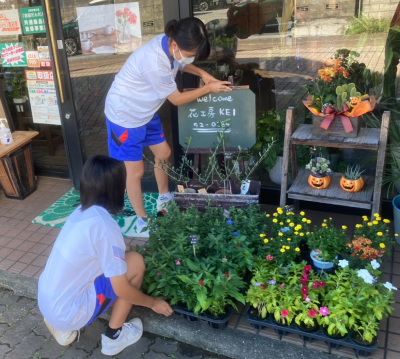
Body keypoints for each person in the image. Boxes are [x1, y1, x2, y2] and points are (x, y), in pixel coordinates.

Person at [105, 17, 232, 235]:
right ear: (175, 44)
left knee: (164, 152)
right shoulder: (155, 62)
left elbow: (181, 63)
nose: (190, 58)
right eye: (191, 53)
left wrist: (202, 73)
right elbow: (177, 99)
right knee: (135, 171)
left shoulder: (169, 44)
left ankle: (164, 198)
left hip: (146, 111)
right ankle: (143, 219)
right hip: (125, 116)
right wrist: (209, 88)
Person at [38, 155, 173, 356]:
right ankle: (113, 337)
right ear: (116, 188)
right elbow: (122, 288)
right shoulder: (105, 226)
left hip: (47, 302)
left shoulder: (81, 212)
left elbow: (108, 248)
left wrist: (132, 250)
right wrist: (154, 303)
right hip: (71, 312)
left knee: (130, 257)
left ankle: (62, 326)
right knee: (135, 263)